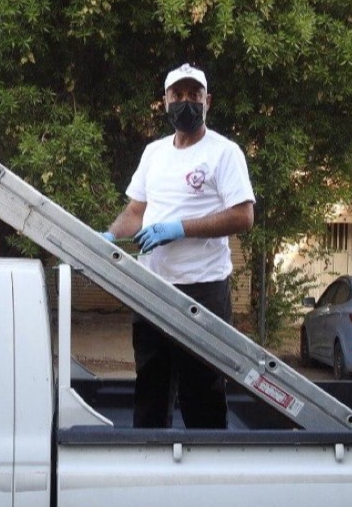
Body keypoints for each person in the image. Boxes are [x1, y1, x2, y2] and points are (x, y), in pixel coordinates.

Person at [103, 64, 255, 428]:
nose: (186, 102)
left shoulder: (224, 153)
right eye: (178, 95)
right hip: (152, 289)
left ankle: (205, 461)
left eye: (194, 95)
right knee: (151, 389)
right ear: (165, 101)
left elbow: (243, 216)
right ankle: (149, 459)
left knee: (201, 393)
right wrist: (109, 235)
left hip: (203, 291)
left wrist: (180, 228)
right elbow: (136, 211)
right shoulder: (154, 153)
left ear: (207, 101)